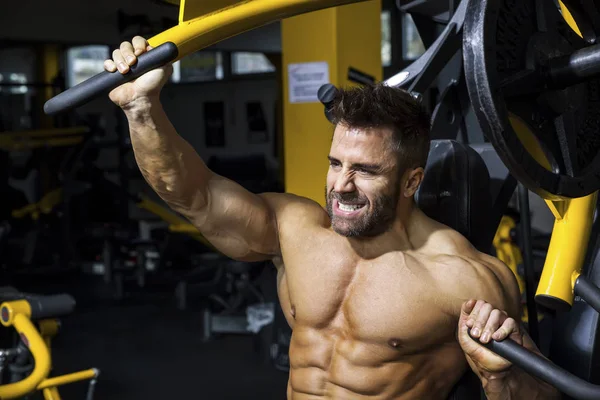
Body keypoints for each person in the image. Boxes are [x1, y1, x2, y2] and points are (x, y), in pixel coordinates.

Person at [104, 36, 561, 399]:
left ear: (409, 181)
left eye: (364, 170)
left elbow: (535, 397)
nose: (341, 185)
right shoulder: (295, 230)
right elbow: (194, 195)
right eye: (336, 163)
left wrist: (497, 378)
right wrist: (141, 109)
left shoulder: (465, 280)